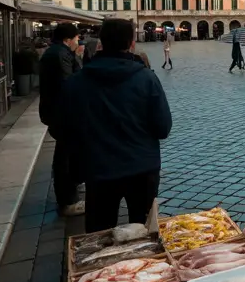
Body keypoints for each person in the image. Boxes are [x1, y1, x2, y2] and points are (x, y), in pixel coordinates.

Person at [58, 17, 172, 234]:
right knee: (145, 232)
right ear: (131, 43)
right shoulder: (147, 79)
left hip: (97, 169)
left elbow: (63, 129)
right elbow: (163, 127)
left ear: (101, 42)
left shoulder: (76, 82)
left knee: (99, 234)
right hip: (142, 167)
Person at [38, 22, 85, 216]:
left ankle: (70, 190)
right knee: (65, 157)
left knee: (67, 154)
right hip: (63, 113)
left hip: (59, 112)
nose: (78, 41)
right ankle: (68, 200)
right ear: (68, 39)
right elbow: (70, 84)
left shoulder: (56, 53)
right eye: (76, 38)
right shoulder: (60, 55)